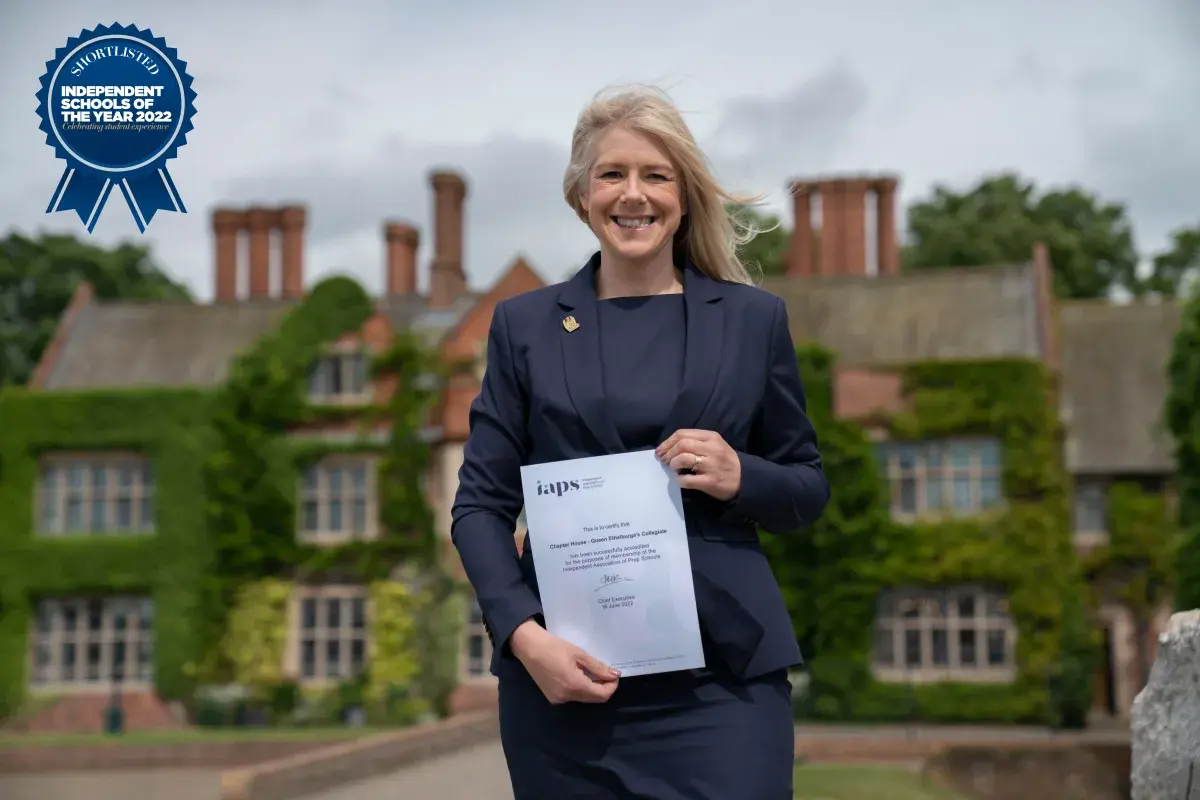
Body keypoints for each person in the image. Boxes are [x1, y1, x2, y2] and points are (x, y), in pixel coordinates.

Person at [450, 84, 830, 799]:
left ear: (683, 195)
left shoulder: (754, 321)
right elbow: (479, 507)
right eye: (612, 174)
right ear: (581, 195)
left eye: (656, 175)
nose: (634, 195)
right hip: (566, 681)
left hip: (723, 682)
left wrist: (739, 473)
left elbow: (806, 487)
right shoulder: (523, 327)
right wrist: (525, 639)